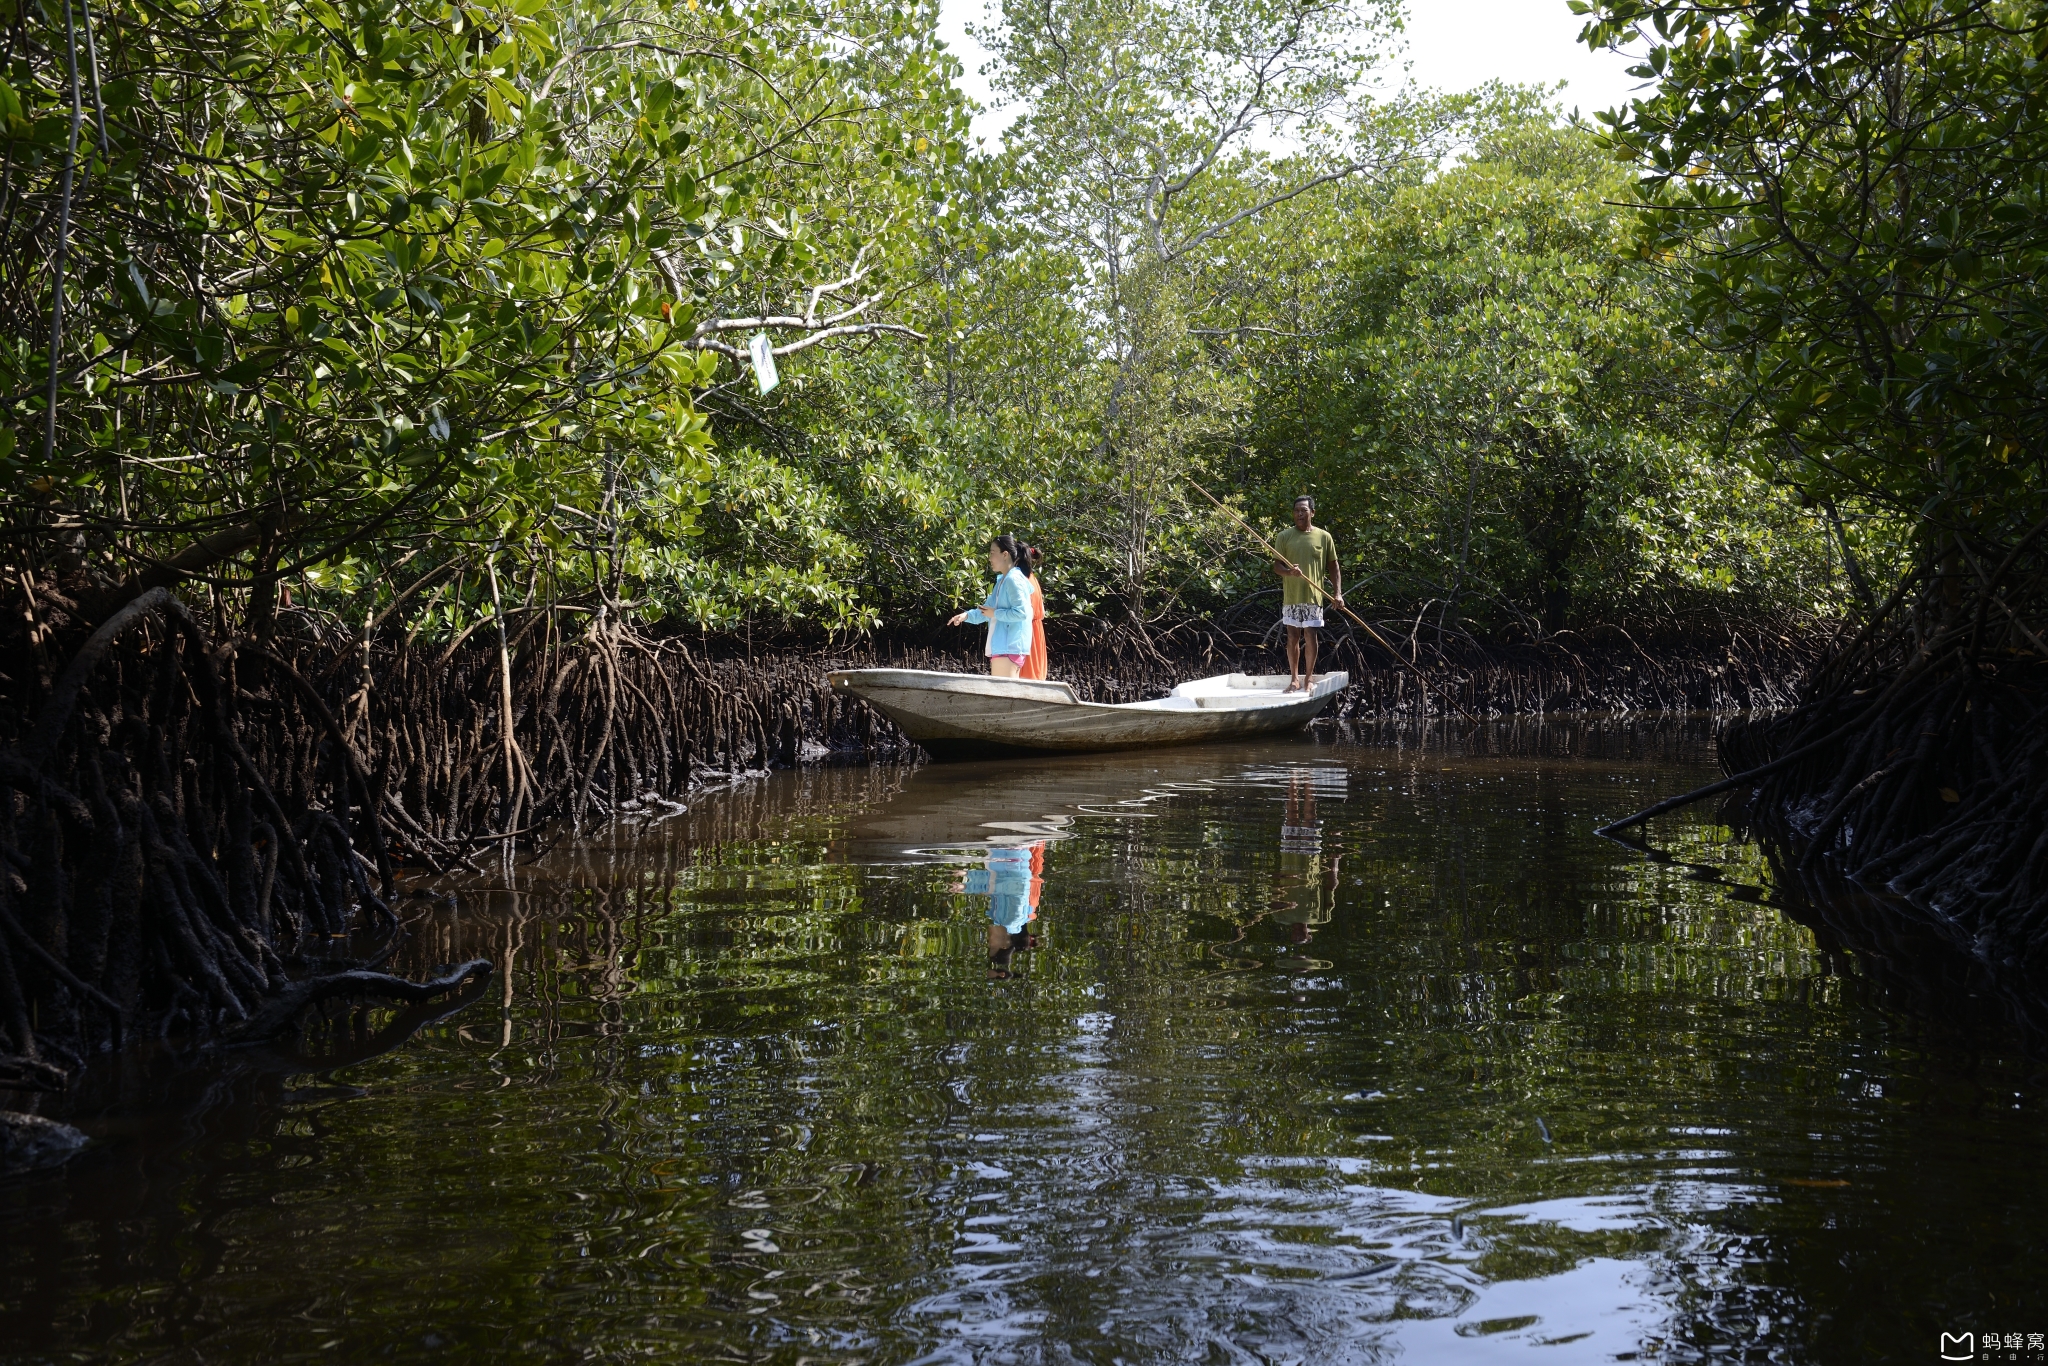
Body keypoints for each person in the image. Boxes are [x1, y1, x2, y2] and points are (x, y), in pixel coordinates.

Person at [1271, 495, 1342, 694]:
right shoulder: (1284, 536)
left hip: (1314, 597)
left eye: (1303, 510)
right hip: (1292, 596)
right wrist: (1289, 572)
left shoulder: (1323, 536)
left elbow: (1333, 566)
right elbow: (1277, 566)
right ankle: (1294, 680)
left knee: (1311, 635)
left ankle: (1309, 678)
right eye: (1296, 511)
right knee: (1292, 637)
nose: (1299, 514)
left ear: (1312, 512)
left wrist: (1338, 593)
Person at [949, 535, 1034, 677]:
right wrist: (966, 615)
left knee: (1005, 696)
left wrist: (995, 613)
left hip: (1009, 648)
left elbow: (1021, 613)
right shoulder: (1003, 580)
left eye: (992, 553)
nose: (989, 558)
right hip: (1004, 648)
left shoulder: (1013, 580)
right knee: (1006, 696)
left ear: (1005, 554)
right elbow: (987, 610)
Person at [1021, 545, 1049, 681]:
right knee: (1036, 674)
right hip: (1037, 629)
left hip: (1027, 630)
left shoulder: (1020, 580)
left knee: (1026, 675)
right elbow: (1042, 613)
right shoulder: (1033, 578)